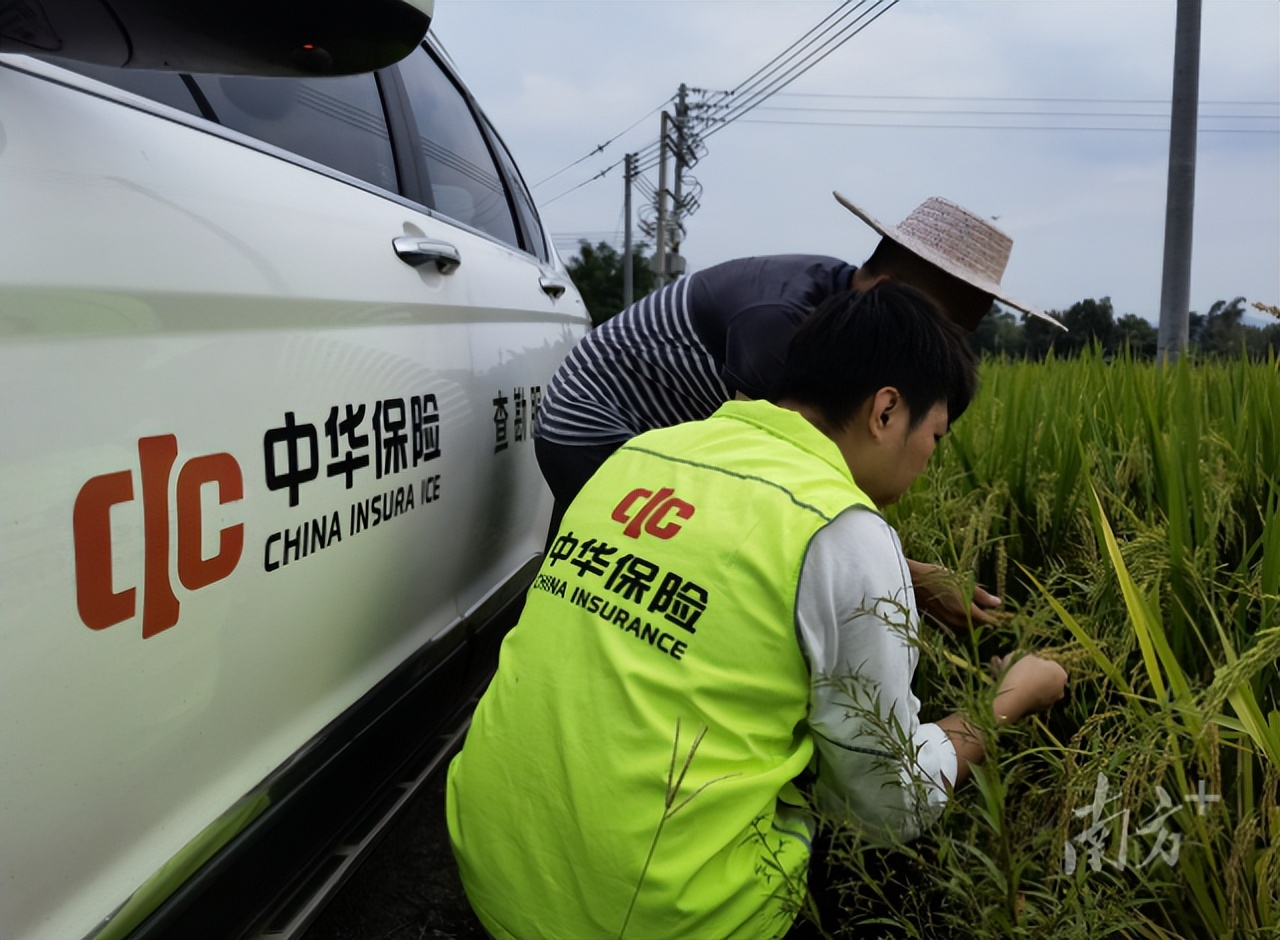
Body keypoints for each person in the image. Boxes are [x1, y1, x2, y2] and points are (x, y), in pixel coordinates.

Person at [448, 284, 1068, 940]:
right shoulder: (848, 529)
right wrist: (1007, 701)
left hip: (489, 857)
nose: (926, 463)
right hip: (648, 916)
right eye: (935, 437)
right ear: (886, 410)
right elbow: (890, 799)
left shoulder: (643, 454)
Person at [535, 192, 1064, 631]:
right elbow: (763, 487)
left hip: (667, 444)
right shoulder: (782, 321)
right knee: (634, 593)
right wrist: (904, 578)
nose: (940, 350)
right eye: (939, 325)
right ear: (888, 292)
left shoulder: (847, 316)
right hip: (595, 428)